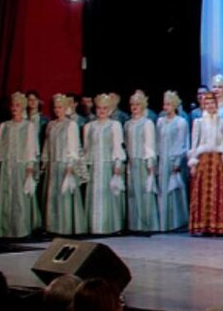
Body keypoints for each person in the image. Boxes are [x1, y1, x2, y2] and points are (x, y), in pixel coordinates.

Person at [0, 91, 42, 239]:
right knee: (4, 196)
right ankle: (3, 228)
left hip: (21, 165)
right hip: (7, 165)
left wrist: (30, 165)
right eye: (12, 105)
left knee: (19, 197)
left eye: (17, 105)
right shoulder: (5, 126)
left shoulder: (28, 126)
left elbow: (31, 147)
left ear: (22, 107)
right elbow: (0, 146)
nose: (14, 108)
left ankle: (20, 229)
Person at [41, 93, 87, 236]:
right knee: (53, 195)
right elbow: (47, 144)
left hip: (65, 164)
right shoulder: (51, 125)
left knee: (64, 195)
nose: (57, 110)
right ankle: (52, 226)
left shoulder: (71, 124)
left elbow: (73, 146)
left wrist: (70, 164)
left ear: (66, 108)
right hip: (53, 164)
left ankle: (65, 226)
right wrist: (45, 160)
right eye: (55, 107)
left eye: (60, 107)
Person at [188, 91, 223, 235]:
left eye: (212, 103)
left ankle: (217, 225)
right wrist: (193, 163)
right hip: (203, 161)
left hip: (217, 161)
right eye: (207, 103)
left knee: (217, 192)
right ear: (204, 105)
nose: (210, 105)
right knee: (202, 192)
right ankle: (202, 225)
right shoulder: (198, 122)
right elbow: (194, 144)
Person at [84, 93, 126, 236]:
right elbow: (87, 148)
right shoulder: (89, 126)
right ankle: (94, 227)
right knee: (94, 195)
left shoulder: (115, 125)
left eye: (105, 108)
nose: (101, 111)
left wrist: (117, 164)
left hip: (108, 165)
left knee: (108, 195)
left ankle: (110, 226)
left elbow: (117, 146)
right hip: (94, 165)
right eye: (99, 108)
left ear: (110, 110)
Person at [124, 90, 159, 233]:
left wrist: (150, 162)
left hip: (143, 161)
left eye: (137, 104)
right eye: (132, 104)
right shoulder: (128, 124)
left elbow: (149, 144)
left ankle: (147, 225)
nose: (134, 107)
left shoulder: (147, 123)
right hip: (132, 161)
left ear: (143, 106)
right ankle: (135, 225)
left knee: (145, 192)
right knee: (133, 192)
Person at [155, 90, 190, 232]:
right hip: (162, 159)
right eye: (165, 104)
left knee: (174, 189)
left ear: (174, 105)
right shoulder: (160, 121)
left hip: (174, 159)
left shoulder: (181, 122)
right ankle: (163, 222)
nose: (166, 107)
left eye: (169, 104)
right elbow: (158, 141)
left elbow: (182, 142)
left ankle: (176, 221)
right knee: (162, 189)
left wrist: (177, 161)